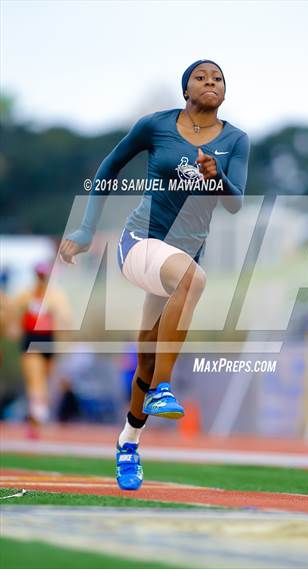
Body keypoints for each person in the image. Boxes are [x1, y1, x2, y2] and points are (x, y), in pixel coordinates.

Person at [59, 59, 250, 490]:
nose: (210, 82)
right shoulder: (156, 126)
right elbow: (108, 169)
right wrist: (88, 227)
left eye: (218, 78)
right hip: (140, 242)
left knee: (146, 355)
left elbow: (235, 204)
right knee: (194, 280)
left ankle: (128, 442)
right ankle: (165, 387)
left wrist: (217, 178)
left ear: (226, 91)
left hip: (178, 256)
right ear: (186, 89)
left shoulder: (236, 140)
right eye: (201, 77)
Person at [9, 262, 71, 437]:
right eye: (40, 276)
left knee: (45, 381)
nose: (42, 279)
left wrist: (62, 333)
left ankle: (38, 415)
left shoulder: (56, 296)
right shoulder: (26, 295)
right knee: (36, 381)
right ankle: (37, 418)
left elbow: (65, 318)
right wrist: (14, 327)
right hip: (31, 340)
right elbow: (12, 311)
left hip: (49, 341)